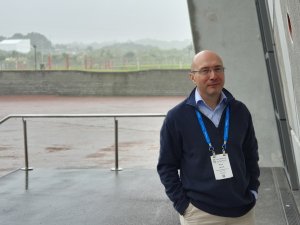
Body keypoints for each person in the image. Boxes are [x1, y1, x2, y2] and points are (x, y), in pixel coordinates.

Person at [157, 50, 260, 225]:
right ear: (192, 77)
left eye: (218, 69)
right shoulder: (176, 117)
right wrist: (184, 206)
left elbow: (251, 155)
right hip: (200, 213)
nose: (213, 76)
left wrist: (253, 191)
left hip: (243, 211)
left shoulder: (240, 111)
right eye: (205, 70)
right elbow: (166, 166)